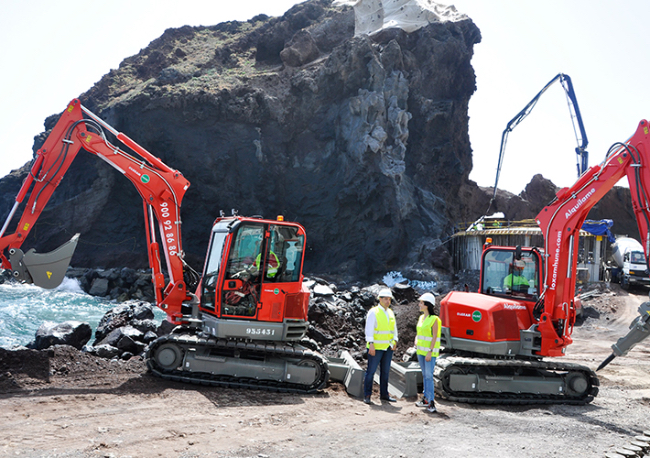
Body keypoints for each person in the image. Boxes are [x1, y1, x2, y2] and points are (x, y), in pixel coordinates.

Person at [363, 288, 399, 404]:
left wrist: (395, 340)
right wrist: (371, 344)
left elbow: (394, 329)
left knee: (385, 372)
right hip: (376, 347)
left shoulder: (390, 312)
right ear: (380, 299)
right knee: (371, 371)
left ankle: (384, 395)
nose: (388, 301)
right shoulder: (374, 312)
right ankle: (367, 395)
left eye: (389, 299)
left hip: (387, 347)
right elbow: (369, 329)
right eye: (385, 299)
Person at [414, 292, 441, 413]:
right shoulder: (421, 318)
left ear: (427, 305)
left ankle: (431, 402)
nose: (419, 304)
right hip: (421, 351)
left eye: (421, 302)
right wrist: (416, 340)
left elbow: (434, 336)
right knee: (425, 375)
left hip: (429, 353)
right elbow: (419, 333)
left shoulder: (435, 319)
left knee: (429, 376)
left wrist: (430, 352)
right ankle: (425, 399)